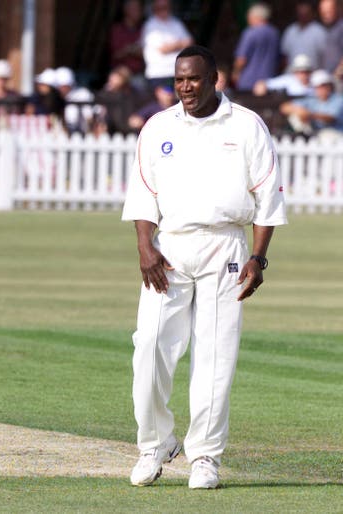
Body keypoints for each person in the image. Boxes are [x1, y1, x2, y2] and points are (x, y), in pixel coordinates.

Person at [122, 45, 287, 489]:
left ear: (215, 78)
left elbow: (267, 199)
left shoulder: (247, 126)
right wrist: (145, 247)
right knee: (150, 346)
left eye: (193, 79)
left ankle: (205, 457)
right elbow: (143, 194)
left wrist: (258, 256)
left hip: (226, 246)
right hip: (170, 246)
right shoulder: (158, 127)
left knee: (215, 356)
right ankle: (155, 444)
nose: (185, 87)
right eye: (178, 80)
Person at [141, 0, 193, 88]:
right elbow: (164, 49)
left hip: (178, 73)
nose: (164, 10)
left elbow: (190, 42)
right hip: (158, 75)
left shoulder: (176, 23)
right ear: (155, 9)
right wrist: (180, 44)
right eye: (160, 8)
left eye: (166, 7)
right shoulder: (150, 25)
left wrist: (173, 45)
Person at [232, 3, 280, 92]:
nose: (248, 19)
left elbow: (241, 59)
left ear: (256, 17)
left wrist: (235, 73)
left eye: (249, 17)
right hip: (269, 81)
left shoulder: (250, 33)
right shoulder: (275, 33)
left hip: (248, 82)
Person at [280, 69, 343, 134]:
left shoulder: (339, 100)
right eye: (318, 87)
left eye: (324, 85)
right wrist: (299, 111)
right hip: (317, 135)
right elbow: (284, 107)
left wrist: (310, 115)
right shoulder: (312, 100)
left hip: (336, 133)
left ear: (330, 86)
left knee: (327, 134)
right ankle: (301, 134)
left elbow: (331, 118)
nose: (322, 89)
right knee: (295, 117)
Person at [281, 0, 327, 71]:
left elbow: (325, 56)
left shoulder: (319, 31)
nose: (303, 15)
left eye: (305, 13)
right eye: (300, 13)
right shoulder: (290, 30)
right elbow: (285, 56)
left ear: (311, 13)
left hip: (313, 75)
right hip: (292, 74)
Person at [109, 0, 145, 78]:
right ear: (126, 10)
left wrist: (130, 50)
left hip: (139, 75)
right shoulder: (117, 30)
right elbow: (116, 54)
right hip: (120, 75)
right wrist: (130, 50)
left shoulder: (143, 30)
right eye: (135, 9)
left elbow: (147, 53)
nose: (139, 12)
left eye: (139, 9)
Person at [320, 0, 343, 75]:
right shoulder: (328, 28)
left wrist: (339, 71)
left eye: (329, 12)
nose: (326, 15)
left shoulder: (341, 28)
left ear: (338, 9)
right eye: (323, 12)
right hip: (328, 76)